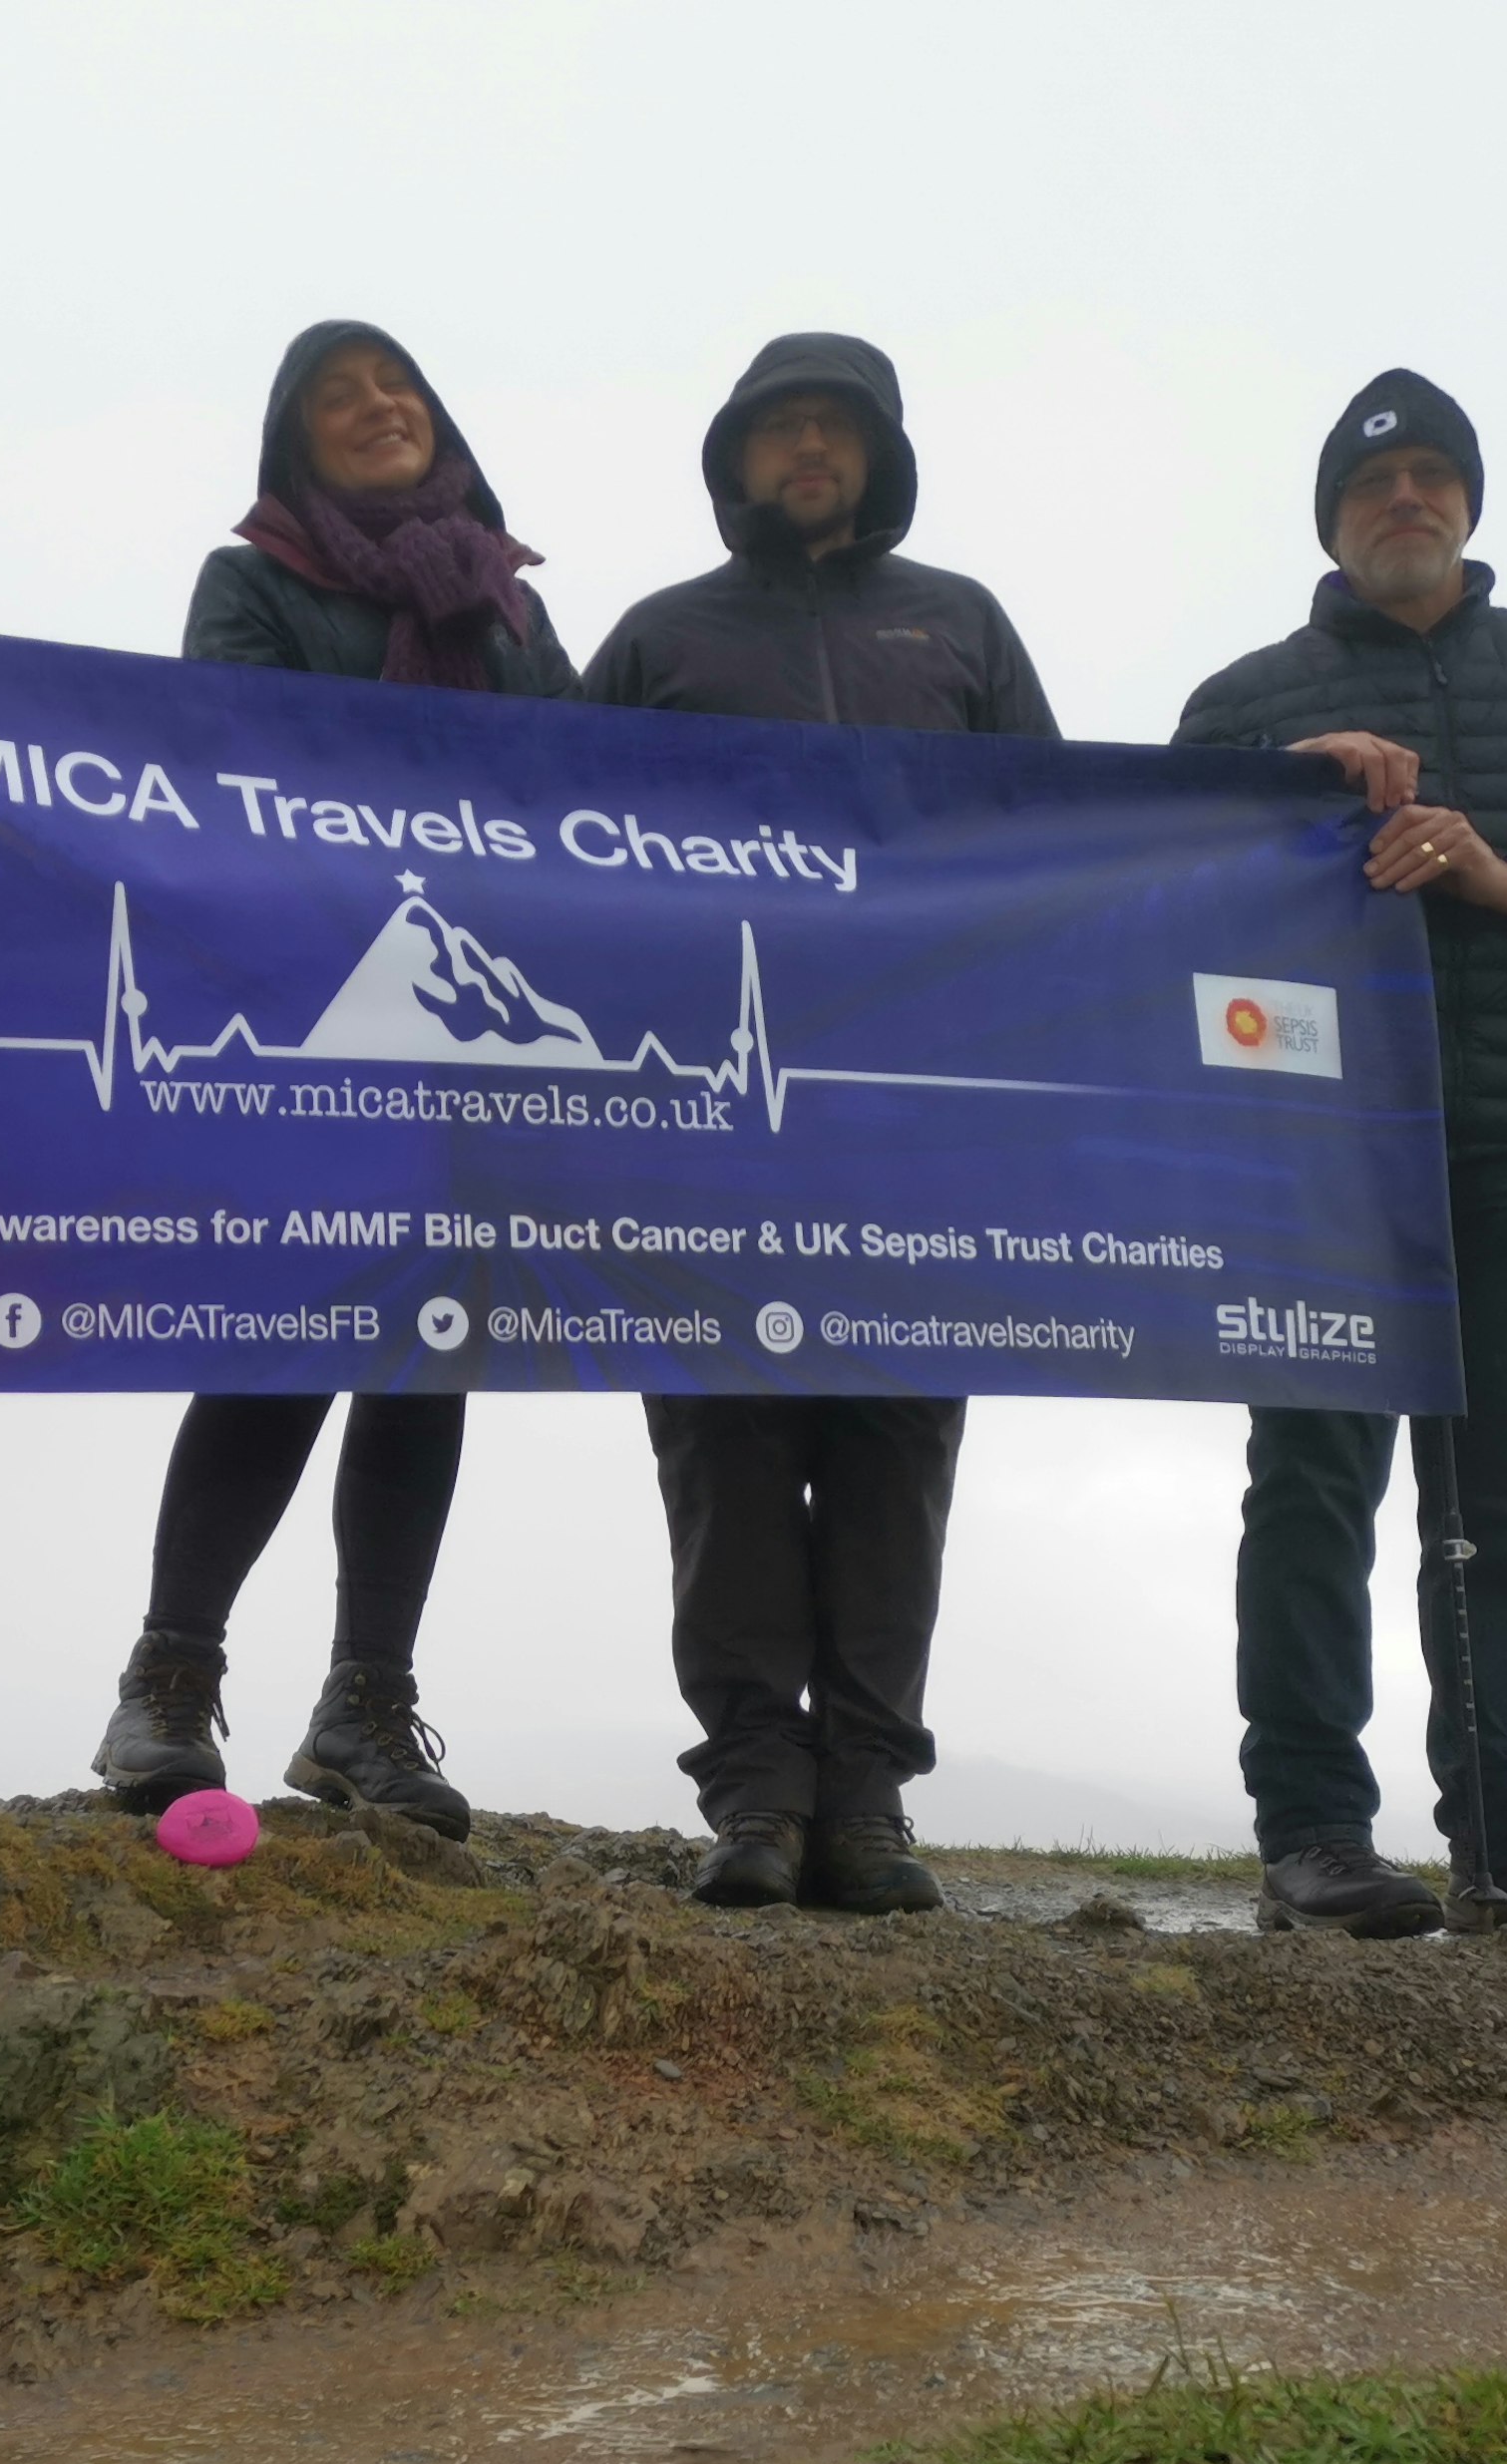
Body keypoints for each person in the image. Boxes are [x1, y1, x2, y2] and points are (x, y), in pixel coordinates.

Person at [1178, 370, 1507, 1941]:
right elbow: (1161, 909)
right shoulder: (1244, 698)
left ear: (1470, 502)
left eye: (1430, 474)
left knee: (1505, 1502)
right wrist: (1281, 796)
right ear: (1331, 521)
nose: (1404, 496)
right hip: (1313, 1145)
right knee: (1314, 1486)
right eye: (1371, 480)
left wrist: (1505, 875)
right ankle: (1316, 1837)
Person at [578, 334, 1057, 1915]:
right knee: (723, 1442)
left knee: (894, 1442)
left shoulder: (965, 627)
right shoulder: (657, 639)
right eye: (779, 428)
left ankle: (866, 1801)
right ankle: (756, 1800)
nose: (806, 450)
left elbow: (1060, 841)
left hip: (919, 1116)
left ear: (876, 456)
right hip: (699, 1118)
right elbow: (547, 847)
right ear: (734, 458)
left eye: (833, 430)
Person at [88, 322, 576, 1839]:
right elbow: (228, 765)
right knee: (285, 1329)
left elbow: (583, 796)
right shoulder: (255, 581)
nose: (376, 410)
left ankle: (368, 1704)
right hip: (307, 1013)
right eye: (336, 399)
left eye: (399, 389)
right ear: (294, 446)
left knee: (431, 1345)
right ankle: (168, 1683)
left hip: (474, 1024)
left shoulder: (510, 607)